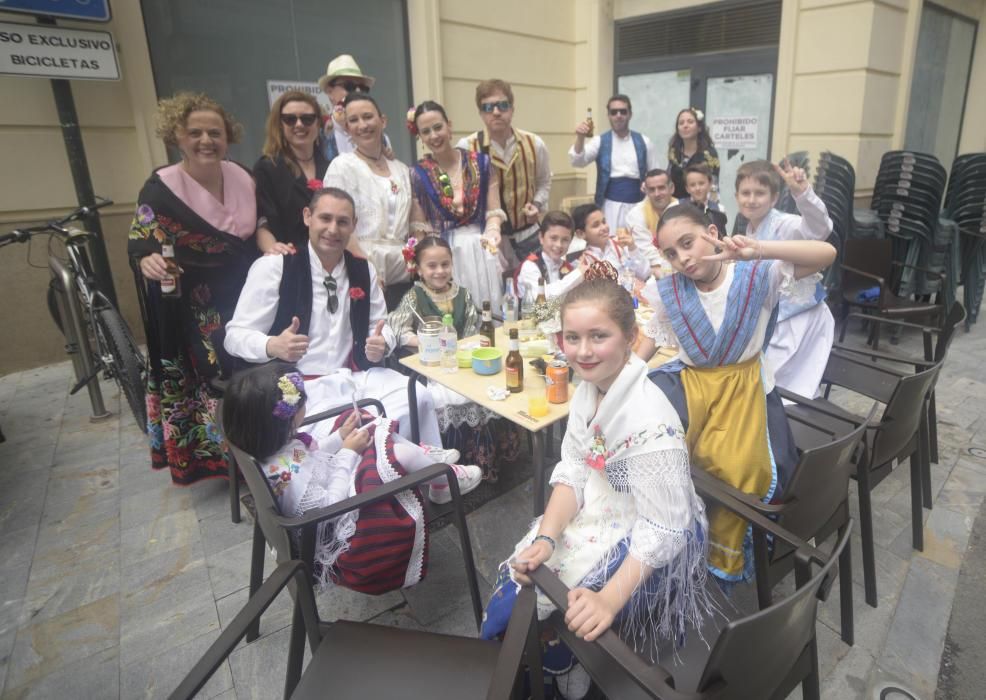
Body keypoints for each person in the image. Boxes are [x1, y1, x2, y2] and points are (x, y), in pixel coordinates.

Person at [481, 279, 712, 698]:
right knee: (521, 586)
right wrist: (548, 537)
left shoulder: (647, 418)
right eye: (573, 337)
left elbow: (664, 528)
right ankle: (552, 665)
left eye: (598, 336)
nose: (582, 351)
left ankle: (569, 667)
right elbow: (575, 469)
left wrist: (608, 599)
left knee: (546, 608)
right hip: (607, 505)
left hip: (651, 532)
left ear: (630, 339)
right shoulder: (590, 390)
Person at [636, 204, 836, 582]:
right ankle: (676, 544)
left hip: (748, 396)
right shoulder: (671, 293)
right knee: (662, 462)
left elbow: (826, 253)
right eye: (671, 253)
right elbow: (646, 342)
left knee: (747, 473)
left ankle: (729, 552)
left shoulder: (757, 274)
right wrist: (620, 378)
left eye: (687, 243)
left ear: (712, 232)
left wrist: (758, 249)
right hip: (694, 394)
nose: (682, 258)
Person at [222, 364, 481, 592]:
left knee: (360, 423)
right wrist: (347, 453)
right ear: (282, 423)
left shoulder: (273, 451)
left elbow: (309, 455)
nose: (305, 407)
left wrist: (340, 438)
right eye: (301, 406)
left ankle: (425, 460)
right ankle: (441, 479)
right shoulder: (290, 480)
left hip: (336, 488)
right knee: (394, 451)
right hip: (346, 531)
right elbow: (330, 509)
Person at [224, 186, 443, 449]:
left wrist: (381, 343)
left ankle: (430, 475)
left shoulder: (363, 270)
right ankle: (384, 477)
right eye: (325, 218)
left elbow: (380, 324)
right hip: (300, 387)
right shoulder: (274, 267)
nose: (333, 229)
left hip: (354, 376)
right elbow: (234, 336)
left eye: (342, 222)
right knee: (361, 425)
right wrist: (272, 345)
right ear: (307, 217)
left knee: (418, 396)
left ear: (354, 226)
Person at [128, 92, 258, 486]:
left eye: (215, 133)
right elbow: (142, 241)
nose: (206, 140)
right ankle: (219, 459)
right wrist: (146, 260)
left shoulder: (241, 175)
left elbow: (257, 226)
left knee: (248, 366)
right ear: (177, 136)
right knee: (210, 375)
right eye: (195, 132)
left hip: (242, 290)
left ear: (228, 137)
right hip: (192, 301)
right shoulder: (161, 188)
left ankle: (257, 443)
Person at [388, 237, 519, 479]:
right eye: (432, 266)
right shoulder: (414, 297)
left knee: (488, 387)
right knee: (447, 395)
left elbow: (471, 330)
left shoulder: (464, 295)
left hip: (463, 361)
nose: (439, 271)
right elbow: (397, 329)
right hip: (431, 368)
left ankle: (491, 462)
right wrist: (425, 341)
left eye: (445, 265)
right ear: (418, 268)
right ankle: (451, 464)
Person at [735, 160, 836, 398]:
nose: (751, 199)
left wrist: (802, 194)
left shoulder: (784, 223)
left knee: (785, 388)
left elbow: (818, 230)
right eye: (745, 193)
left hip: (801, 318)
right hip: (776, 319)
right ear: (736, 196)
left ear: (774, 198)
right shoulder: (749, 229)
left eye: (759, 193)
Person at [409, 100, 506, 311]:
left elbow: (493, 211)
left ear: (449, 126)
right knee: (455, 314)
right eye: (426, 131)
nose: (434, 136)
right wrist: (423, 265)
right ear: (421, 137)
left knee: (488, 312)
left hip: (481, 248)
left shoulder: (481, 163)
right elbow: (420, 229)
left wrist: (493, 230)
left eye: (438, 127)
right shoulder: (418, 174)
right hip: (445, 256)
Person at [323, 94, 411, 309]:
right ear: (346, 128)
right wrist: (366, 268)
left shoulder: (401, 169)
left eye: (367, 117)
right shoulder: (341, 167)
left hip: (404, 276)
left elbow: (414, 223)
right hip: (361, 272)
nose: (362, 125)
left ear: (383, 121)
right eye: (353, 120)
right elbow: (338, 225)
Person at [457, 79, 552, 267]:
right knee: (495, 293)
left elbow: (544, 181)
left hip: (528, 234)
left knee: (535, 290)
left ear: (512, 109)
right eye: (488, 107)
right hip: (489, 238)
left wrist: (537, 204)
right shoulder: (467, 147)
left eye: (502, 105)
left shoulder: (534, 143)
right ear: (480, 113)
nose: (496, 112)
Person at [254, 90, 329, 255]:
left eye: (307, 119)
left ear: (318, 123)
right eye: (290, 119)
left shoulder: (332, 166)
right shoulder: (267, 168)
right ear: (280, 125)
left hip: (330, 257)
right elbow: (261, 221)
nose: (299, 124)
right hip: (291, 257)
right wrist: (272, 249)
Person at [569, 94, 659, 230]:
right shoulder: (600, 141)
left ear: (630, 114)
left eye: (623, 111)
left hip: (639, 204)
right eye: (614, 112)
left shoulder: (644, 141)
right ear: (608, 115)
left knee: (638, 243)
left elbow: (655, 173)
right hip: (609, 206)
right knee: (611, 244)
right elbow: (577, 162)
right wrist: (580, 138)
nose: (618, 115)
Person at [514, 211, 587, 302]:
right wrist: (577, 274)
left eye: (565, 240)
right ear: (541, 238)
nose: (559, 245)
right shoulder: (530, 266)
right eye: (553, 238)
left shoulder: (568, 267)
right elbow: (541, 299)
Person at [316, 54, 376, 163]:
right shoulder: (317, 136)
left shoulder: (378, 134)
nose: (358, 92)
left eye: (363, 88)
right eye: (349, 86)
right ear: (330, 92)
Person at [572, 203, 650, 283]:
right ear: (581, 233)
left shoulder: (621, 243)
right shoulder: (585, 263)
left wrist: (632, 248)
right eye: (596, 225)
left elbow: (644, 274)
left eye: (604, 222)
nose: (604, 227)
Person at [624, 168, 678, 277]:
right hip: (650, 271)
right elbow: (644, 250)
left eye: (661, 188)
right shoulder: (635, 214)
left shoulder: (683, 210)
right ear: (646, 191)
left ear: (671, 188)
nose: (657, 194)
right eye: (652, 189)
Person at [666, 107, 720, 198]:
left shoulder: (709, 154)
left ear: (699, 128)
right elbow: (669, 179)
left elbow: (713, 185)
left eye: (690, 122)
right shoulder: (674, 152)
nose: (685, 126)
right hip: (677, 205)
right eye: (681, 123)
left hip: (700, 204)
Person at [680, 163, 727, 236]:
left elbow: (722, 235)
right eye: (692, 185)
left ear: (710, 184)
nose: (697, 188)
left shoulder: (719, 209)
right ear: (687, 188)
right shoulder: (677, 206)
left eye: (701, 183)